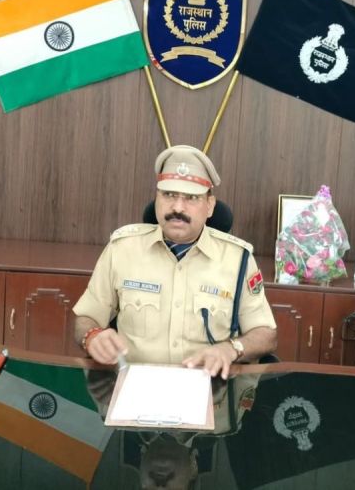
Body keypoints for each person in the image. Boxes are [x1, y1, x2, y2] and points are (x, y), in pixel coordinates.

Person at [74, 145, 277, 379]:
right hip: (135, 385)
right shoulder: (122, 249)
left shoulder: (238, 259)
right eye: (169, 194)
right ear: (156, 198)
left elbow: (266, 334)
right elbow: (85, 317)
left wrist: (231, 349)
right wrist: (92, 336)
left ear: (210, 206)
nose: (178, 207)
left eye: (191, 198)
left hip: (209, 388)